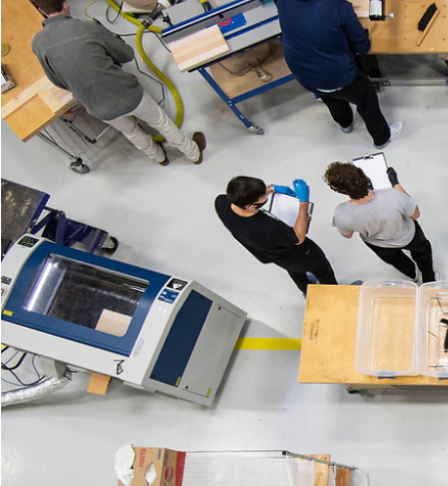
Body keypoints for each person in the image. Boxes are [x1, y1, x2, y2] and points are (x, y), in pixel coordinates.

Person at [31, 0, 205, 166]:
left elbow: (57, 80)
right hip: (127, 95)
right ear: (65, 4)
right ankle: (193, 153)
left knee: (131, 132)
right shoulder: (87, 27)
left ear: (41, 11)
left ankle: (159, 158)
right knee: (161, 123)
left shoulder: (38, 43)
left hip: (97, 107)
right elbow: (126, 54)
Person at [278, 0, 402, 149]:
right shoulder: (338, 7)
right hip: (338, 76)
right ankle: (382, 137)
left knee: (330, 98)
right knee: (366, 101)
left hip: (305, 74)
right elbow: (363, 47)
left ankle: (346, 124)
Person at [215, 176, 338, 295]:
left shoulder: (221, 202)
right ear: (251, 206)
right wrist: (303, 201)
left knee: (294, 270)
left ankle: (307, 289)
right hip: (300, 254)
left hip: (279, 257)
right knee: (322, 269)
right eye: (263, 196)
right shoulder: (267, 228)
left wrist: (270, 189)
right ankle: (336, 293)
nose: (266, 194)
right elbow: (298, 237)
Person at [323, 162, 435, 284]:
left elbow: (347, 235)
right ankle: (429, 280)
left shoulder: (341, 213)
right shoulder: (394, 195)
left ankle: (412, 274)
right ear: (365, 177)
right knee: (423, 254)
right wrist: (396, 185)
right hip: (408, 236)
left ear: (342, 192)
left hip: (380, 245)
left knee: (397, 260)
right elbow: (415, 214)